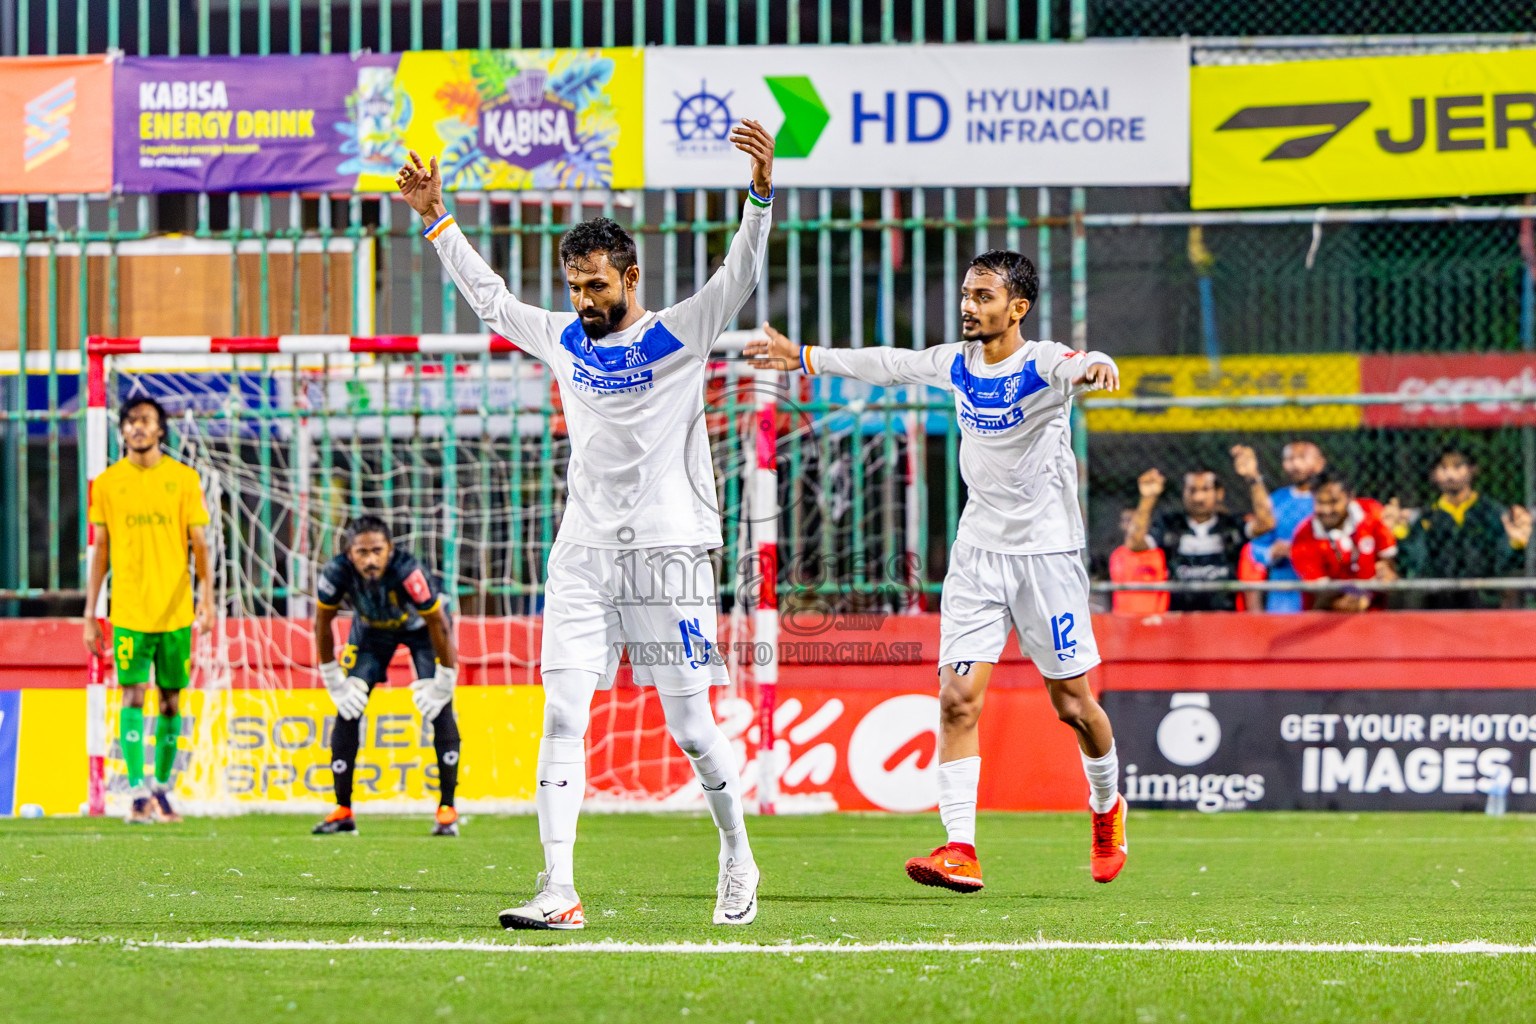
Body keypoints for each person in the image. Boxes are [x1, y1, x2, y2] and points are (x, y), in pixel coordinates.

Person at [398, 119, 775, 929]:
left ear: (630, 277)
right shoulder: (564, 338)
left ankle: (737, 851)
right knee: (565, 711)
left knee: (691, 725)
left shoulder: (681, 330)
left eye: (596, 285)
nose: (582, 300)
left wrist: (759, 194)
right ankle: (560, 890)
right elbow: (493, 301)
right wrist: (437, 221)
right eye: (574, 286)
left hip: (672, 552)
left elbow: (738, 274)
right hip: (583, 552)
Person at [746, 249, 1129, 891]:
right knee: (956, 702)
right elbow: (888, 364)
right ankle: (959, 848)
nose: (968, 306)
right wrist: (806, 357)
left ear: (1018, 308)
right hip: (977, 557)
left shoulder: (1042, 363)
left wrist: (1098, 366)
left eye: (983, 297)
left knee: (1073, 705)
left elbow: (1081, 364)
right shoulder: (957, 362)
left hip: (1047, 559)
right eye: (966, 294)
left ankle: (1106, 806)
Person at [82, 397, 213, 825]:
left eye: (146, 421)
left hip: (176, 611)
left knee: (172, 701)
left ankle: (161, 788)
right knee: (133, 694)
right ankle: (137, 792)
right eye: (131, 422)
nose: (137, 428)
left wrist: (207, 598)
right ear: (122, 431)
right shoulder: (106, 483)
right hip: (130, 611)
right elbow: (100, 550)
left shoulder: (184, 479)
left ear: (160, 430)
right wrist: (90, 613)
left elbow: (200, 545)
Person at [312, 516, 461, 837]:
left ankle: (447, 810)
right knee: (348, 706)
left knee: (440, 706)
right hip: (372, 634)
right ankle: (342, 810)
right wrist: (332, 677)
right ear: (349, 553)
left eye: (377, 550)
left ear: (390, 550)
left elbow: (438, 622)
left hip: (423, 633)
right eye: (361, 552)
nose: (370, 559)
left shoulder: (409, 572)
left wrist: (445, 680)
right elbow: (321, 623)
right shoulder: (336, 572)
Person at [1124, 446, 1276, 612]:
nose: (1198, 497)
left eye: (1205, 489)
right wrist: (1147, 498)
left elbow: (1266, 523)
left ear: (1219, 493)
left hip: (1224, 619)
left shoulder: (1231, 526)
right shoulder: (1171, 525)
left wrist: (1253, 477)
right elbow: (1134, 544)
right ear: (1183, 493)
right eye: (1192, 490)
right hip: (1180, 620)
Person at [1396, 450, 1532, 609]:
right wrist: (1401, 535)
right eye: (1443, 468)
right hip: (1439, 605)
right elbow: (1417, 564)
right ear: (1433, 474)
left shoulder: (1492, 513)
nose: (1450, 475)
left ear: (1472, 469)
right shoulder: (1427, 518)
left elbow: (1503, 564)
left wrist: (1516, 544)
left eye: (1457, 466)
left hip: (1483, 603)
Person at [1289, 468, 1398, 612]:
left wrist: (1387, 576)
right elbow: (1321, 595)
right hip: (1323, 624)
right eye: (1320, 502)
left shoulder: (1372, 513)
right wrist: (1357, 600)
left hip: (1375, 620)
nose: (1327, 510)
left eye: (1333, 502)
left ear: (1350, 496)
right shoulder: (1303, 537)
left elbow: (1389, 567)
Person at [1246, 441, 1327, 613]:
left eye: (1302, 457)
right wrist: (1272, 552)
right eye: (1289, 459)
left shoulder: (1330, 502)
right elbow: (1256, 547)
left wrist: (1302, 551)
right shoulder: (1275, 500)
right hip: (1282, 593)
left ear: (1320, 463)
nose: (1295, 464)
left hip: (1323, 589)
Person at [1108, 508, 1169, 616]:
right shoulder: (1117, 555)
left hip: (1151, 617)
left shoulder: (1156, 554)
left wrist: (1160, 615)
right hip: (1124, 617)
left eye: (1134, 521)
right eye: (1126, 520)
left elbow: (1163, 589)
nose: (1131, 526)